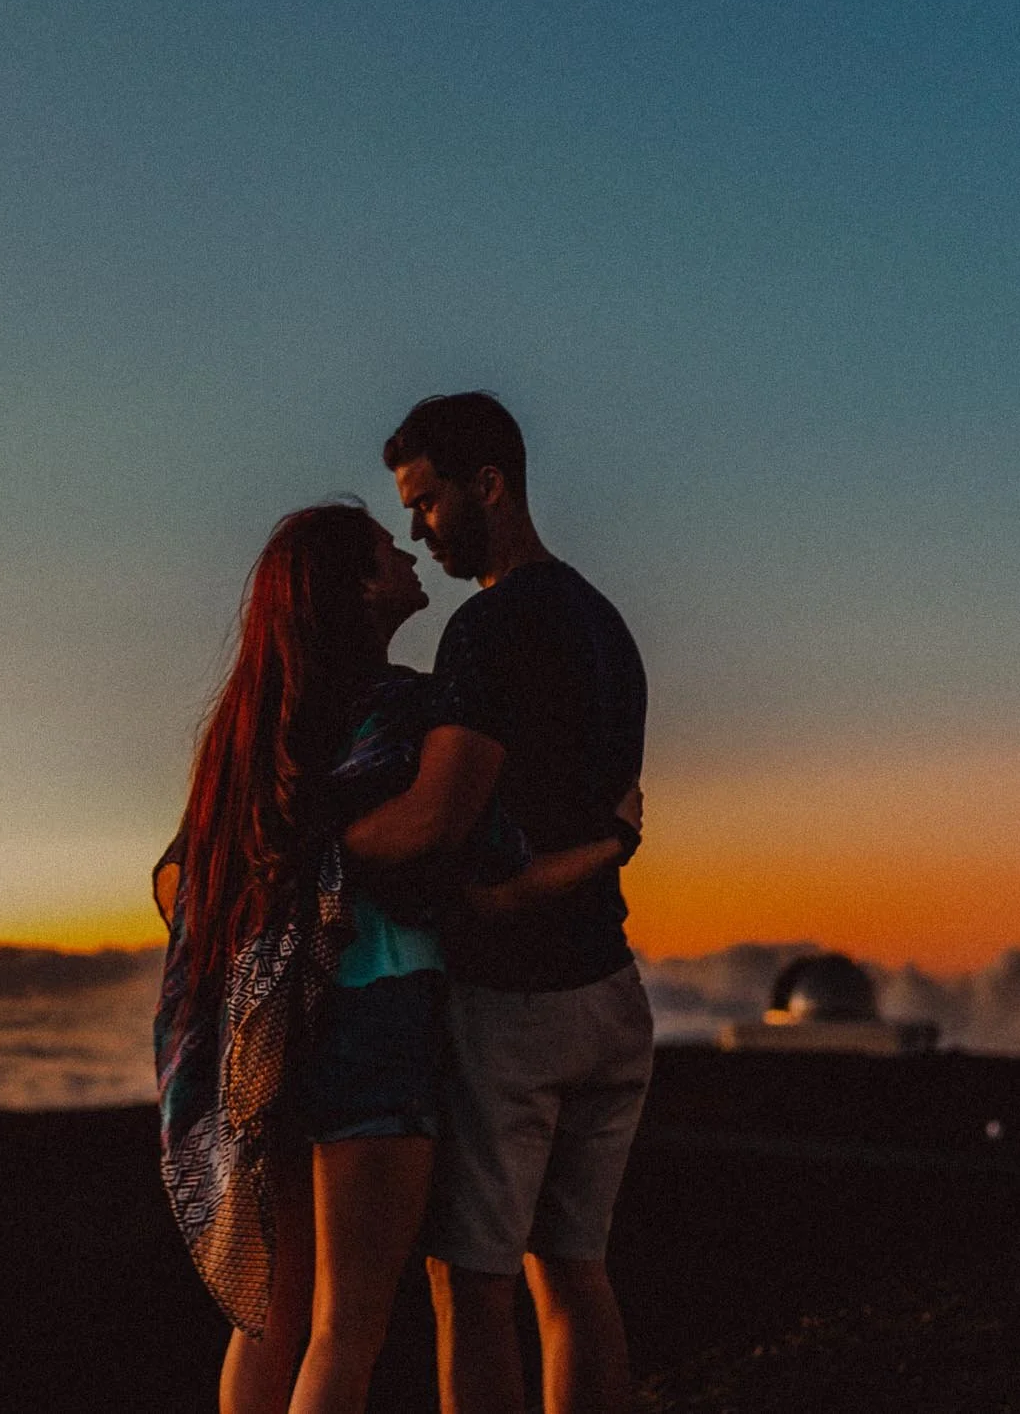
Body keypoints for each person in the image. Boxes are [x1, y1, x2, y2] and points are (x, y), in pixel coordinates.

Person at [153, 502, 632, 1414]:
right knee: (348, 1325)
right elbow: (475, 851)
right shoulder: (410, 710)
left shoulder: (249, 735)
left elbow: (180, 887)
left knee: (269, 1319)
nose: (410, 549)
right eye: (385, 549)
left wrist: (284, 896)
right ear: (358, 591)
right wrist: (610, 841)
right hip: (378, 1018)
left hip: (269, 1030)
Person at [384, 393, 652, 1414]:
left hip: (513, 1002)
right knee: (574, 1272)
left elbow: (441, 825)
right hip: (612, 991)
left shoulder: (489, 629)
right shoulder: (605, 623)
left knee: (470, 1282)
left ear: (487, 485)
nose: (417, 527)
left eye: (426, 502)